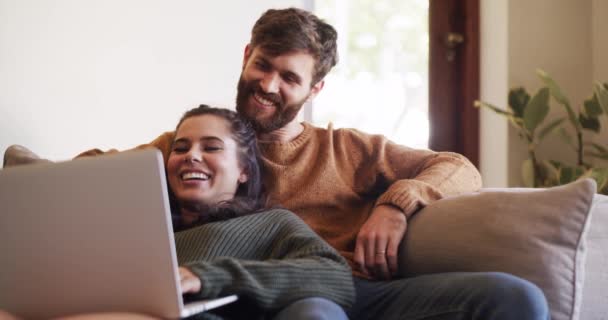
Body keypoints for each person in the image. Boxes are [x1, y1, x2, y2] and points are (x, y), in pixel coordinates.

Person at [4, 7, 550, 320]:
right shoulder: (189, 146)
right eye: (263, 66)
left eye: (289, 77)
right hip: (260, 296)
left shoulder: (349, 149)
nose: (268, 85)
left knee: (514, 296)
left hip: (348, 284)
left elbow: (457, 166)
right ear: (247, 56)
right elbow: (91, 178)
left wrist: (396, 203)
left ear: (315, 88)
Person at [2, 105, 355, 320]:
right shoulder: (137, 225)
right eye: (180, 147)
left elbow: (335, 277)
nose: (191, 156)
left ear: (244, 169)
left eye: (211, 147)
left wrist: (207, 277)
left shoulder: (269, 224)